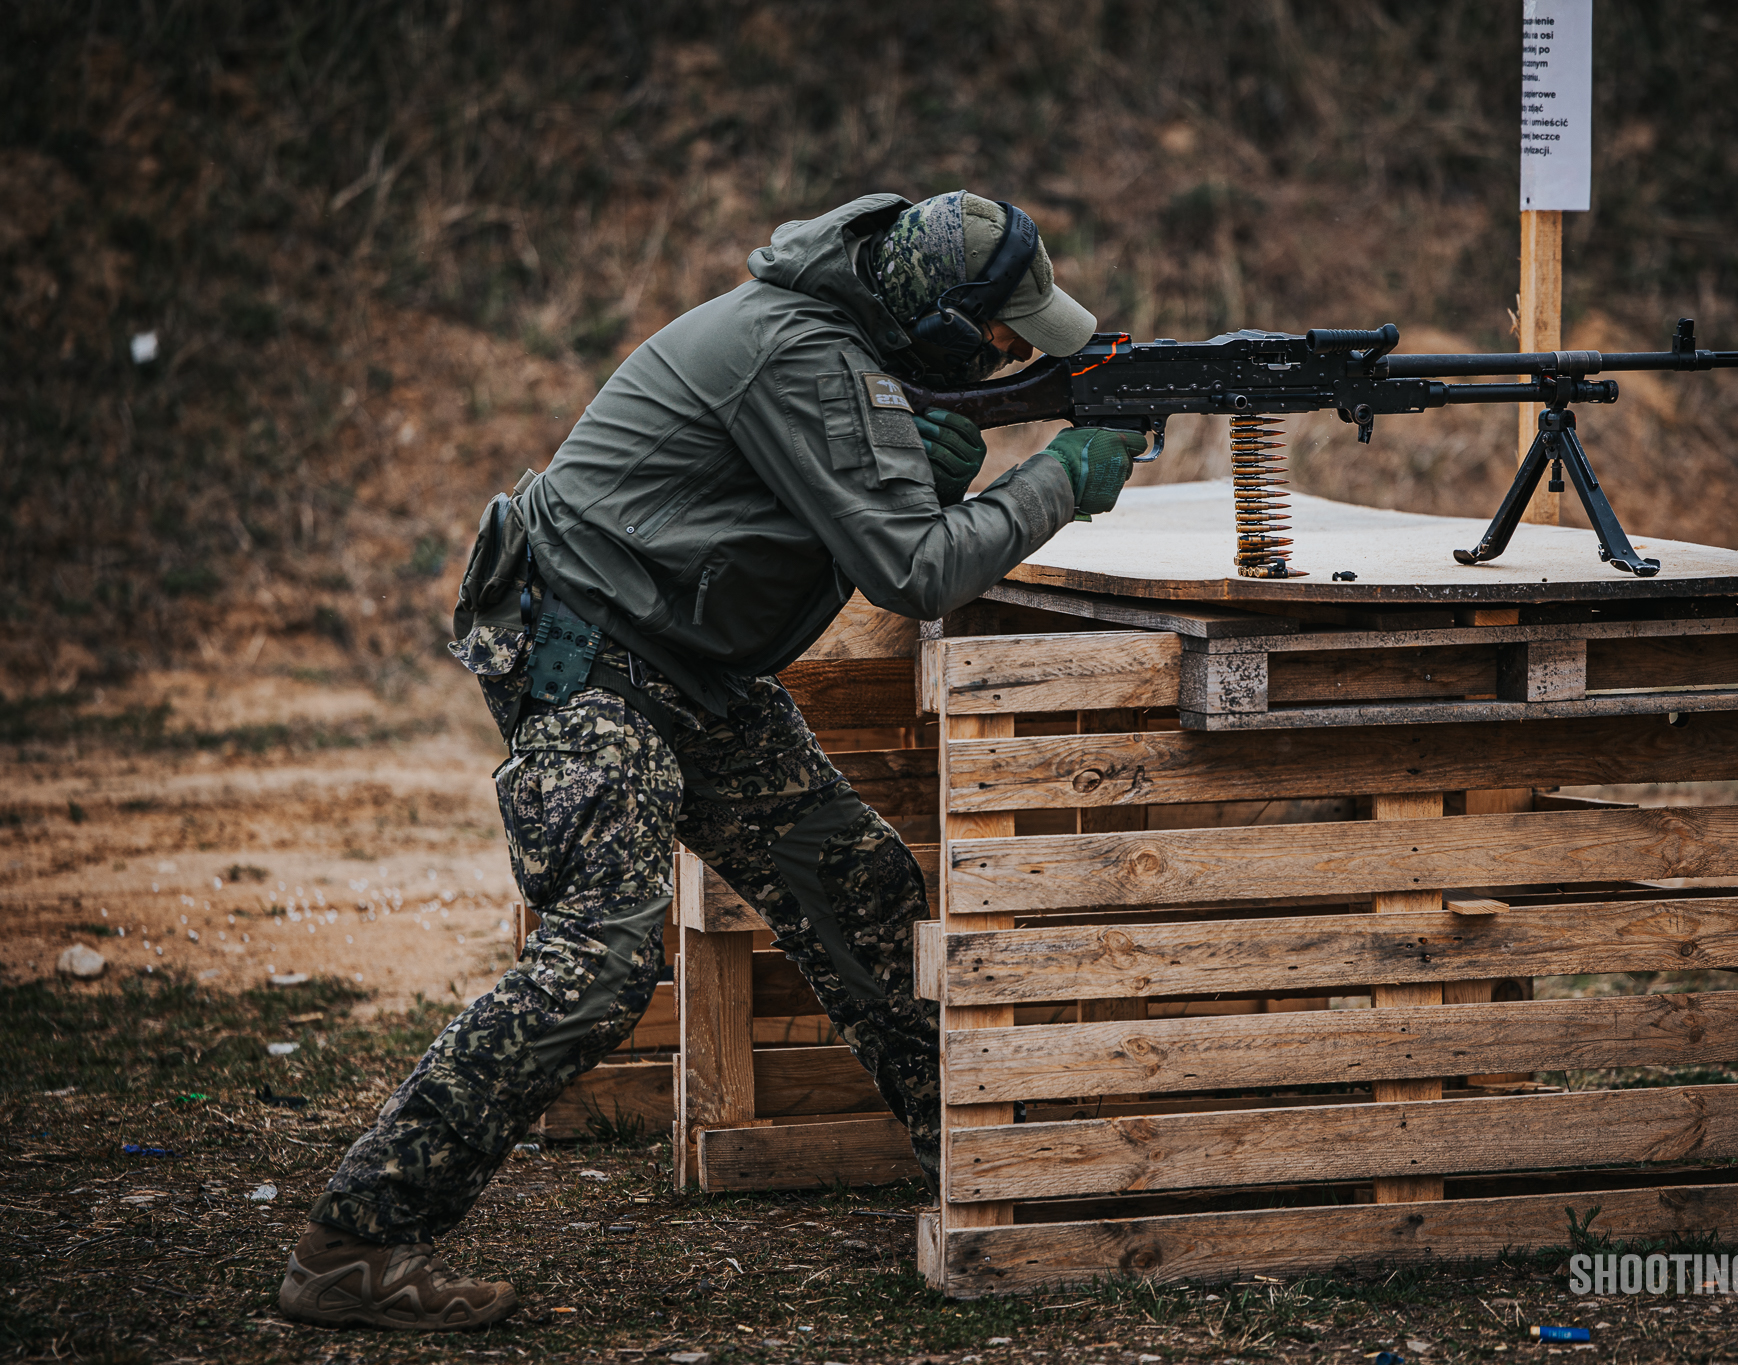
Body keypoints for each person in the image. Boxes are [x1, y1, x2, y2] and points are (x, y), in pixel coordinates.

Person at [276, 190, 1146, 1330]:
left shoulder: (845, 349)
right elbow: (915, 573)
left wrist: (929, 468)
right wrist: (1058, 482)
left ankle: (987, 1176)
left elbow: (799, 520)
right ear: (929, 320)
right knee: (605, 952)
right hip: (584, 651)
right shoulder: (803, 355)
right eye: (997, 337)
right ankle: (354, 1246)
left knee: (858, 883)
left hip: (684, 666)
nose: (1014, 355)